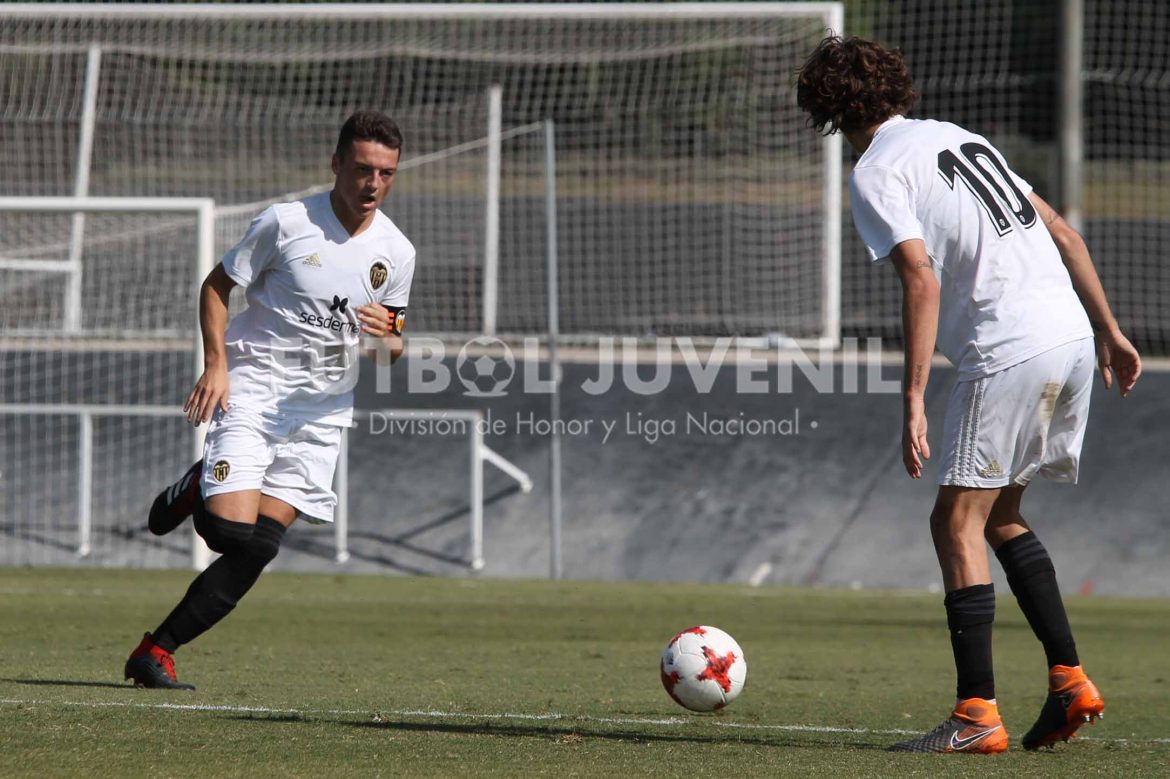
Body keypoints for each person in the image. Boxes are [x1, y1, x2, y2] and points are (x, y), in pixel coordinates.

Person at [797, 36, 1141, 753]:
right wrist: (1110, 331)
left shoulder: (876, 170)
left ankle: (976, 713)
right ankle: (1070, 681)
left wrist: (913, 396)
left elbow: (920, 279)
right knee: (999, 515)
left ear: (827, 111)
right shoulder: (959, 137)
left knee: (954, 521)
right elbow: (1064, 232)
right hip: (1071, 336)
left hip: (1009, 347)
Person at [124, 110, 415, 690]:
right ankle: (198, 484)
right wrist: (216, 365)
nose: (373, 184)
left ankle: (155, 652)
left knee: (257, 549)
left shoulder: (397, 252)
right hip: (254, 392)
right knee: (231, 534)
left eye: (386, 173)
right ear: (336, 164)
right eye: (363, 169)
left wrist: (389, 338)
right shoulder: (286, 223)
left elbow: (391, 350)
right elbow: (216, 286)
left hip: (321, 413)